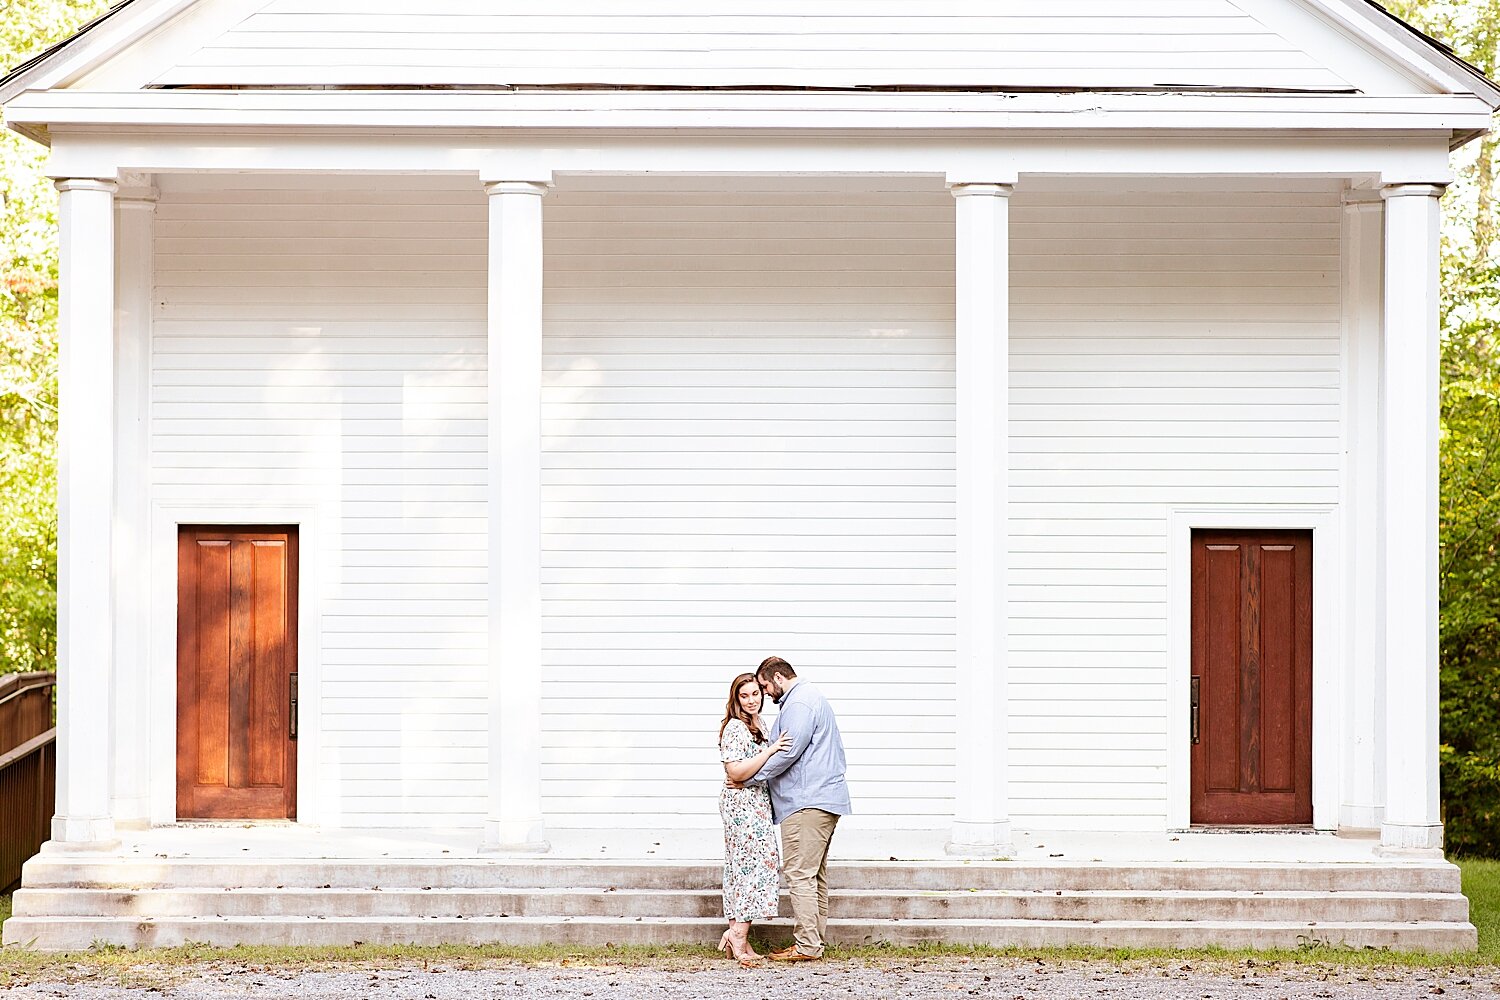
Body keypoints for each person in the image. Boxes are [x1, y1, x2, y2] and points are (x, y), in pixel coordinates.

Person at [753, 655, 852, 962]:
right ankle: (813, 943)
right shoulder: (809, 698)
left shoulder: (799, 703)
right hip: (822, 800)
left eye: (765, 686)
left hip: (807, 803)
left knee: (799, 874)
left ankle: (807, 945)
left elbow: (788, 750)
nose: (765, 694)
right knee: (814, 875)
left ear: (778, 678)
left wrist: (751, 776)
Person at [717, 672, 792, 967]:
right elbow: (735, 772)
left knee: (743, 866)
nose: (751, 700)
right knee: (755, 864)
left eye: (755, 694)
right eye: (744, 695)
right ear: (736, 699)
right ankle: (738, 934)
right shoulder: (736, 728)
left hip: (756, 802)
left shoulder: (759, 724)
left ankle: (740, 939)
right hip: (742, 805)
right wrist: (772, 750)